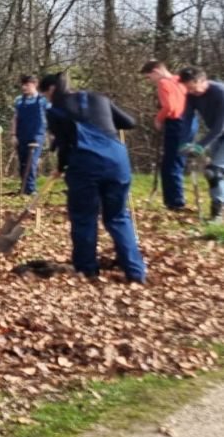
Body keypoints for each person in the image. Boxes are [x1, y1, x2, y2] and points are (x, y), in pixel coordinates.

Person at [39, 72, 145, 283]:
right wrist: (106, 121)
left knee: (84, 217)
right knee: (118, 217)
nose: (46, 98)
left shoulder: (56, 110)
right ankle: (135, 272)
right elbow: (129, 122)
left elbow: (63, 143)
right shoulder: (99, 98)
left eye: (45, 94)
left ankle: (87, 269)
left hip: (85, 165)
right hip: (117, 162)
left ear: (50, 89)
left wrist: (60, 167)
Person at [141, 60, 194, 211]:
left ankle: (175, 202)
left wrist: (158, 119)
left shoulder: (163, 83)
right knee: (179, 160)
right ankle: (176, 199)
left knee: (170, 164)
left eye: (148, 77)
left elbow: (169, 106)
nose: (149, 80)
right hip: (189, 122)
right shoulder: (180, 80)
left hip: (175, 123)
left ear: (156, 71)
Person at [177, 67, 224, 222]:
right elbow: (187, 120)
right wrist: (184, 143)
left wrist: (200, 146)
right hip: (218, 134)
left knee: (213, 171)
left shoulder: (220, 92)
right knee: (217, 173)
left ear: (203, 80)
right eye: (187, 88)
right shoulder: (191, 96)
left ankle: (216, 214)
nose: (191, 91)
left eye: (192, 87)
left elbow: (220, 126)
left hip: (220, 130)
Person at [12, 74, 49, 195]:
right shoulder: (18, 100)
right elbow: (15, 118)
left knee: (31, 162)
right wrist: (13, 135)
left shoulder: (43, 100)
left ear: (35, 85)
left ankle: (31, 189)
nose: (24, 87)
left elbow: (51, 116)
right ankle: (23, 188)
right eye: (23, 85)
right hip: (21, 135)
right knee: (22, 162)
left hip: (37, 135)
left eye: (27, 85)